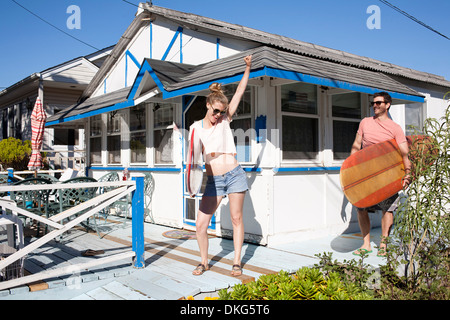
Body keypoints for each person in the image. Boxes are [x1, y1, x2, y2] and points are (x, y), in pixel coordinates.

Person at [190, 55, 252, 276]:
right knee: (200, 224)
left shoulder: (226, 119)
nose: (218, 115)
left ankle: (236, 262)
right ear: (207, 105)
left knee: (236, 218)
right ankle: (204, 262)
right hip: (213, 180)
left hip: (234, 174)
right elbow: (194, 159)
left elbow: (239, 92)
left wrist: (248, 68)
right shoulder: (195, 127)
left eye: (221, 112)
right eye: (215, 110)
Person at [350, 92, 411, 257]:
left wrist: (408, 173)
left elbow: (404, 153)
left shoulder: (395, 128)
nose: (375, 106)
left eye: (378, 103)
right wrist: (351, 167)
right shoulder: (365, 122)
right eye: (373, 103)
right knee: (361, 208)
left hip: (387, 173)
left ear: (387, 105)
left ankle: (383, 245)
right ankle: (366, 244)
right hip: (366, 172)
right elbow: (356, 145)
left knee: (387, 209)